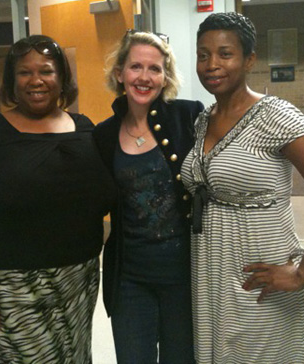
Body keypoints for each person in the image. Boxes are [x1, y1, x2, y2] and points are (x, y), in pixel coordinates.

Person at [181, 12, 304, 363]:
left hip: (259, 276)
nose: (212, 64)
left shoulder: (275, 116)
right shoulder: (203, 119)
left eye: (225, 53)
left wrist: (302, 272)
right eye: (203, 55)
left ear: (249, 60)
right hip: (210, 271)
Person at [0, 35, 115, 364]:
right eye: (24, 72)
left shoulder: (84, 129)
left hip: (78, 281)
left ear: (61, 78)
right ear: (11, 80)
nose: (36, 80)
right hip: (9, 287)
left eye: (47, 71)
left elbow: (104, 195)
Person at [93, 30, 204, 363]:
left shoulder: (189, 116)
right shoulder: (103, 135)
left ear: (165, 76)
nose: (144, 77)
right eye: (135, 67)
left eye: (154, 69)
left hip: (184, 278)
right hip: (130, 280)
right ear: (119, 73)